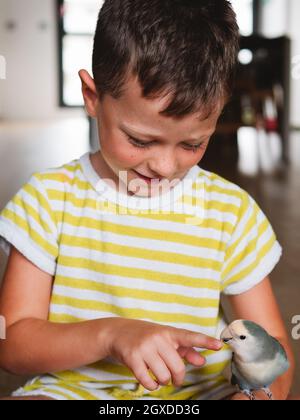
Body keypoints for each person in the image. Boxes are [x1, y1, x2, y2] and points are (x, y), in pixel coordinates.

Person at [0, 0, 295, 400]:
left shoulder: (231, 214)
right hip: (78, 391)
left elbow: (273, 343)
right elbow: (13, 341)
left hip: (198, 395)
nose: (164, 165)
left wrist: (258, 395)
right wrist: (110, 334)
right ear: (92, 96)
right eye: (140, 140)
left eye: (193, 144)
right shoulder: (48, 201)